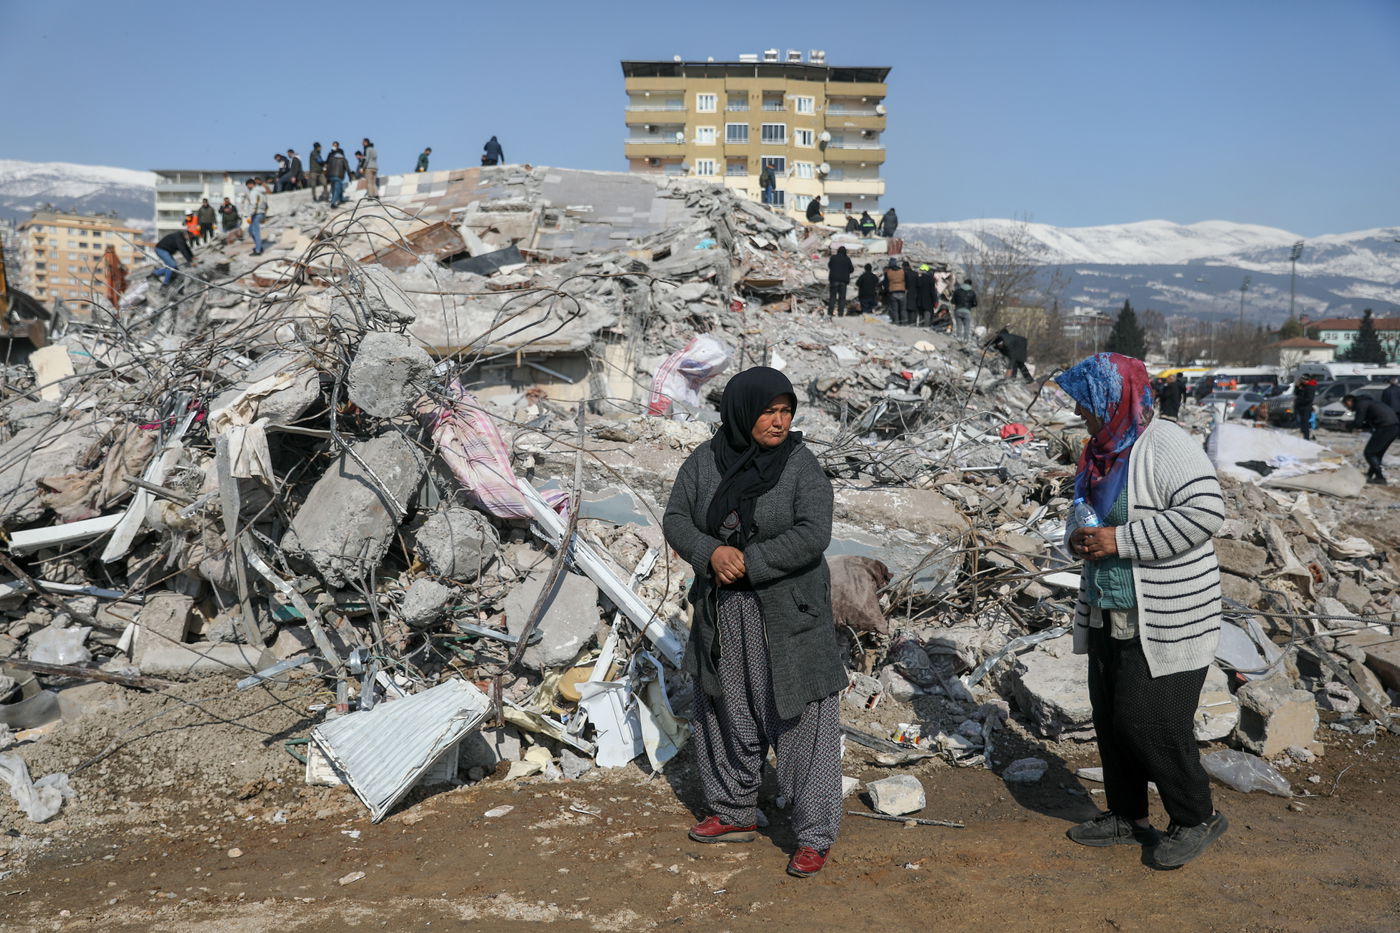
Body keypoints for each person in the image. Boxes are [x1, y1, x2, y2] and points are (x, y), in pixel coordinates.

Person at [662, 367, 846, 879]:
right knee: (726, 708)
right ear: (743, 413)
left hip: (788, 616)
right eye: (769, 412)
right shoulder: (705, 461)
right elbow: (676, 518)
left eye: (786, 412)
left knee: (801, 719)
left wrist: (751, 561)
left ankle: (813, 835)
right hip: (724, 612)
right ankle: (734, 811)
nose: (779, 422)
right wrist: (710, 551)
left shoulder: (800, 466)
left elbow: (815, 532)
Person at [1058, 352, 1229, 870]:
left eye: (1087, 402)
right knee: (1111, 719)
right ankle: (1126, 815)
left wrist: (1121, 540)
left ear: (1115, 398)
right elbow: (1084, 517)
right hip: (1108, 607)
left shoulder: (1165, 443)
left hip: (1168, 616)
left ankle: (1196, 817)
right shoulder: (1099, 452)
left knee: (1149, 721)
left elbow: (1206, 512)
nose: (1080, 413)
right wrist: (1078, 540)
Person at [1343, 393, 1398, 484]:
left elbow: (1358, 423)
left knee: (1369, 453)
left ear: (1349, 401)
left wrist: (1348, 426)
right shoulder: (1368, 402)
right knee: (1377, 453)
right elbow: (1367, 424)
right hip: (1394, 427)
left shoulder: (1360, 404)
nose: (1347, 408)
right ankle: (1370, 475)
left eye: (1346, 405)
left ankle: (1380, 477)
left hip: (1385, 427)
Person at [240, 177, 268, 255]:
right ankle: (259, 246)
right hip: (260, 212)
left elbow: (254, 204)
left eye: (247, 185)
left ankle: (258, 250)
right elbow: (266, 204)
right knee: (250, 230)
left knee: (255, 232)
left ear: (251, 184)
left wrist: (250, 215)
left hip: (256, 213)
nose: (247, 187)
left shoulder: (253, 192)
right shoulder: (262, 192)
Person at [826, 246, 853, 317]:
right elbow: (851, 269)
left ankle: (830, 313)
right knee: (842, 298)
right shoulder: (847, 259)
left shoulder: (833, 258)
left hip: (834, 280)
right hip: (843, 282)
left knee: (832, 297)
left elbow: (829, 266)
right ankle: (840, 313)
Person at [325, 143, 352, 208]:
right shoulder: (343, 159)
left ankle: (341, 199)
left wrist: (327, 177)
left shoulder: (331, 158)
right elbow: (347, 169)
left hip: (331, 176)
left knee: (334, 189)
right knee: (338, 189)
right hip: (338, 176)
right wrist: (350, 177)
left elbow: (328, 168)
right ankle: (333, 203)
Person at [882, 258, 908, 325]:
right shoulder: (902, 271)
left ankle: (896, 323)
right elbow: (906, 280)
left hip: (893, 292)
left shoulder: (888, 272)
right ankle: (904, 323)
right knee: (903, 310)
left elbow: (885, 283)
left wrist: (886, 292)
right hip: (902, 291)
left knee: (895, 310)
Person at [952, 277, 977, 343]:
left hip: (958, 310)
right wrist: (970, 306)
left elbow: (952, 301)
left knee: (959, 325)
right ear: (970, 284)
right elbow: (975, 303)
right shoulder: (972, 292)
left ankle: (958, 338)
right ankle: (965, 339)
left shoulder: (957, 291)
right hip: (967, 311)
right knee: (967, 326)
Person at [1293, 375, 1318, 441]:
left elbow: (1309, 399)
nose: (1301, 381)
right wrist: (1297, 386)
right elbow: (1296, 393)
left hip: (1306, 408)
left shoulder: (1310, 387)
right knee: (1302, 422)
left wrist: (1300, 402)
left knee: (1305, 423)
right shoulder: (1303, 386)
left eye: (1302, 380)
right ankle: (1305, 435)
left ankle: (1307, 437)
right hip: (1301, 408)